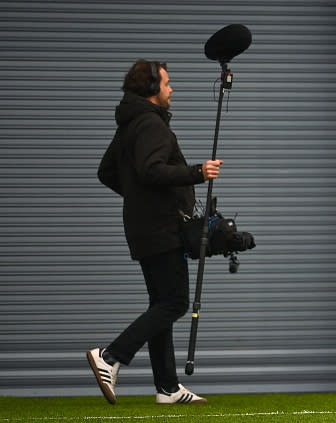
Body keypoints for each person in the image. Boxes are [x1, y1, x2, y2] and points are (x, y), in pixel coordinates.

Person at [87, 60, 223, 405]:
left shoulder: (130, 124)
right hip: (161, 227)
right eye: (167, 83)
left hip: (144, 226)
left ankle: (167, 388)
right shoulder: (150, 124)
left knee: (161, 303)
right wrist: (197, 172)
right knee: (174, 301)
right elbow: (151, 170)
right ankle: (110, 355)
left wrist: (139, 199)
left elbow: (107, 172)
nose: (171, 89)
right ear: (151, 89)